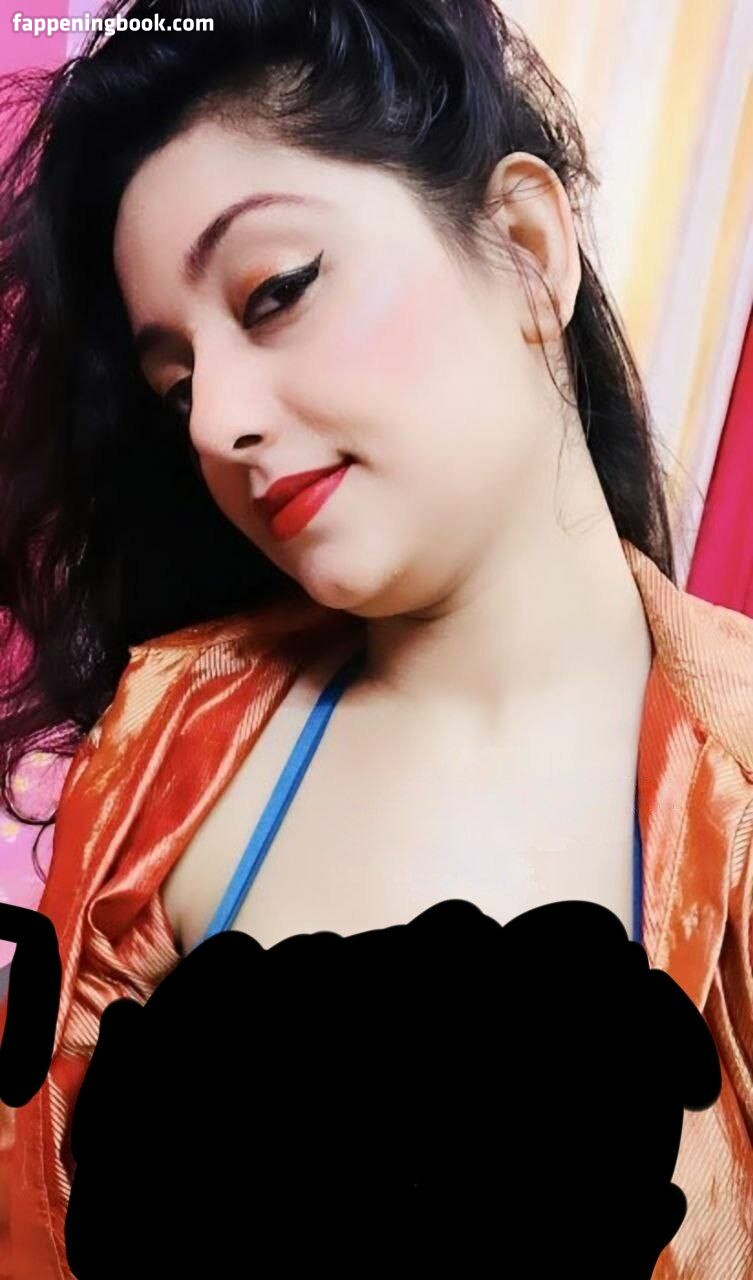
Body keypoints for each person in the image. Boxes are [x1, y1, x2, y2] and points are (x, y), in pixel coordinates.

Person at [0, 0, 750, 1276]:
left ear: (526, 246)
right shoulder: (165, 741)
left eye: (276, 291)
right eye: (176, 383)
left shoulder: (735, 774)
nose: (215, 422)